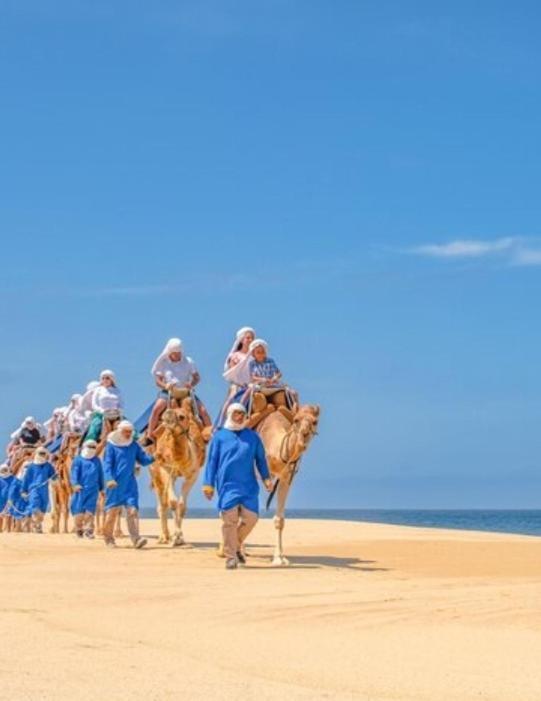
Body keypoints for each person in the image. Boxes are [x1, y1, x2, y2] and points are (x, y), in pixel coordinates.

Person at [202, 403, 273, 570]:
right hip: (228, 485)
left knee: (252, 518)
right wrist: (208, 484)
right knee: (229, 521)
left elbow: (261, 460)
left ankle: (236, 543)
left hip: (249, 486)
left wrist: (266, 478)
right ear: (229, 414)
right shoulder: (220, 437)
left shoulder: (253, 437)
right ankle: (231, 556)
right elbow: (212, 462)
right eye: (236, 413)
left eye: (242, 413)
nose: (240, 416)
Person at [146, 338, 211, 442]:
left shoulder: (188, 361)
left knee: (203, 411)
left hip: (185, 392)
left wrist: (191, 384)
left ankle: (209, 434)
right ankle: (149, 435)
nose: (177, 355)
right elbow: (157, 381)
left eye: (178, 353)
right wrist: (165, 385)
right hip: (169, 392)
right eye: (174, 353)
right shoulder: (163, 363)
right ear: (170, 352)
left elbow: (197, 377)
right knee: (156, 409)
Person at [102, 420, 154, 548]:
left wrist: (154, 456)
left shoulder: (134, 445)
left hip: (130, 484)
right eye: (126, 431)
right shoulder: (111, 446)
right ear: (120, 431)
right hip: (114, 485)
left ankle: (136, 539)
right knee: (112, 513)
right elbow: (107, 465)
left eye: (130, 432)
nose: (128, 434)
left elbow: (143, 460)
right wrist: (109, 479)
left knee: (132, 511)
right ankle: (109, 538)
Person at [248, 339, 296, 424]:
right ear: (253, 354)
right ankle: (251, 417)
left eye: (262, 351)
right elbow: (252, 377)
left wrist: (274, 378)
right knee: (257, 397)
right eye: (258, 352)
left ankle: (289, 412)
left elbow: (279, 373)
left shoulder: (270, 361)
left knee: (284, 394)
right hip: (260, 386)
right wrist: (263, 379)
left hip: (272, 385)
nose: (261, 354)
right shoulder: (252, 363)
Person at [70, 440, 104, 539]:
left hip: (93, 489)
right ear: (84, 447)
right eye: (89, 446)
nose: (91, 449)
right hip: (80, 489)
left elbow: (100, 474)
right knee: (79, 510)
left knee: (90, 510)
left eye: (94, 447)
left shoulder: (97, 460)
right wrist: (75, 484)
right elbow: (74, 473)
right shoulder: (78, 460)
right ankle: (79, 529)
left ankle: (89, 530)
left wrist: (102, 488)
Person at [20, 447, 57, 533]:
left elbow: (53, 476)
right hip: (34, 490)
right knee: (35, 507)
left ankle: (37, 524)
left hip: (44, 490)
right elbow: (26, 479)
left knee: (42, 510)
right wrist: (23, 491)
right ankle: (37, 525)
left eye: (43, 453)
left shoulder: (48, 466)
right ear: (37, 454)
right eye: (40, 453)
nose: (42, 455)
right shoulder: (31, 467)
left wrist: (55, 477)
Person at [86, 370, 124, 442]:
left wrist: (119, 410)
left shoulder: (117, 390)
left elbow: (121, 402)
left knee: (128, 427)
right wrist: (101, 411)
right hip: (101, 414)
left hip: (116, 414)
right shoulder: (98, 390)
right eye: (103, 378)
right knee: (95, 426)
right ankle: (89, 444)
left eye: (107, 378)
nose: (105, 380)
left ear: (111, 379)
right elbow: (94, 403)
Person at [0, 463, 15, 532]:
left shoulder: (12, 478)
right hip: (1, 500)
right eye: (3, 470)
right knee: (0, 515)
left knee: (9, 515)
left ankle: (9, 530)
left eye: (5, 470)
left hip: (10, 499)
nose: (4, 471)